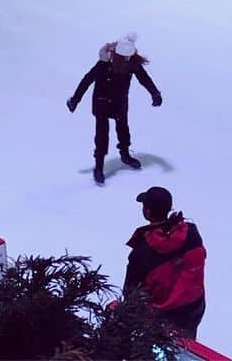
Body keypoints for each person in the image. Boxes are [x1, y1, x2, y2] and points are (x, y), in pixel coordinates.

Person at [67, 33, 163, 185]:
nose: (127, 59)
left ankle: (125, 155)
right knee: (102, 136)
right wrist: (75, 100)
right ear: (117, 55)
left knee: (123, 130)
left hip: (119, 103)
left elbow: (144, 78)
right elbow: (86, 81)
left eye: (129, 57)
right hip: (102, 102)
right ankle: (98, 167)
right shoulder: (103, 65)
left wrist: (155, 93)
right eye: (124, 57)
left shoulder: (132, 63)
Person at [126, 186, 207, 338]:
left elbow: (130, 293)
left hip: (163, 318)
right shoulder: (191, 233)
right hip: (193, 308)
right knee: (186, 346)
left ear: (148, 212)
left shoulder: (141, 253)